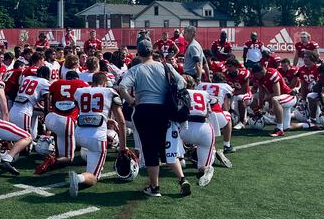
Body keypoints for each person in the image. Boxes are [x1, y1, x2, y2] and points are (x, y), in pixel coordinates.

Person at [118, 36, 190, 197]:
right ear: (152, 51)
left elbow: (122, 87)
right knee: (169, 149)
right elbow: (182, 83)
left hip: (144, 111)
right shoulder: (165, 66)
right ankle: (182, 179)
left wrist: (131, 100)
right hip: (164, 110)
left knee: (150, 150)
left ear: (139, 53)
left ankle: (155, 187)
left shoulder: (135, 69)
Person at [68, 72, 128, 197]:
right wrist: (123, 146)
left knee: (90, 151)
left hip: (78, 134)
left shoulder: (80, 91)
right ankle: (78, 178)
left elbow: (86, 109)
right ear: (105, 82)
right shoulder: (110, 92)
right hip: (96, 136)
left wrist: (106, 118)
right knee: (94, 177)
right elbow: (121, 121)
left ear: (92, 82)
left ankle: (85, 168)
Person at [37, 70, 89, 174]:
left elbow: (48, 97)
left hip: (51, 118)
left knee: (58, 133)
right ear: (76, 78)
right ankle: (52, 160)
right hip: (66, 121)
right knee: (69, 158)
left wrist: (46, 114)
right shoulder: (81, 84)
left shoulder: (56, 83)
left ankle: (56, 154)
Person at [173, 76, 216, 187]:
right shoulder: (204, 93)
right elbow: (209, 113)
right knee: (202, 167)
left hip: (183, 128)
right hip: (204, 129)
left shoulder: (179, 93)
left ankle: (180, 158)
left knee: (171, 135)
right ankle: (206, 168)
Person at [250, 64, 302, 137]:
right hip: (281, 100)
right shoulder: (258, 77)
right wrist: (260, 105)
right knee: (286, 127)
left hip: (289, 96)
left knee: (275, 100)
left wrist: (266, 101)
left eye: (257, 75)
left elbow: (277, 93)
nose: (256, 77)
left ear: (262, 72)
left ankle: (279, 129)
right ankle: (307, 125)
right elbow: (261, 91)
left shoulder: (272, 73)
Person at [9, 66, 51, 139]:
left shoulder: (27, 78)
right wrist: (46, 116)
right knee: (26, 140)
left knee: (19, 137)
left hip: (14, 108)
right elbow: (47, 99)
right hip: (25, 110)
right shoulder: (44, 82)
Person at [224, 58, 251, 130]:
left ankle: (242, 121)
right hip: (233, 94)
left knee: (239, 98)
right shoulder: (225, 74)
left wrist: (232, 93)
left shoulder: (243, 73)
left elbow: (244, 90)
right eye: (227, 66)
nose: (228, 68)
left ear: (236, 66)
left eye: (230, 66)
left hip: (245, 94)